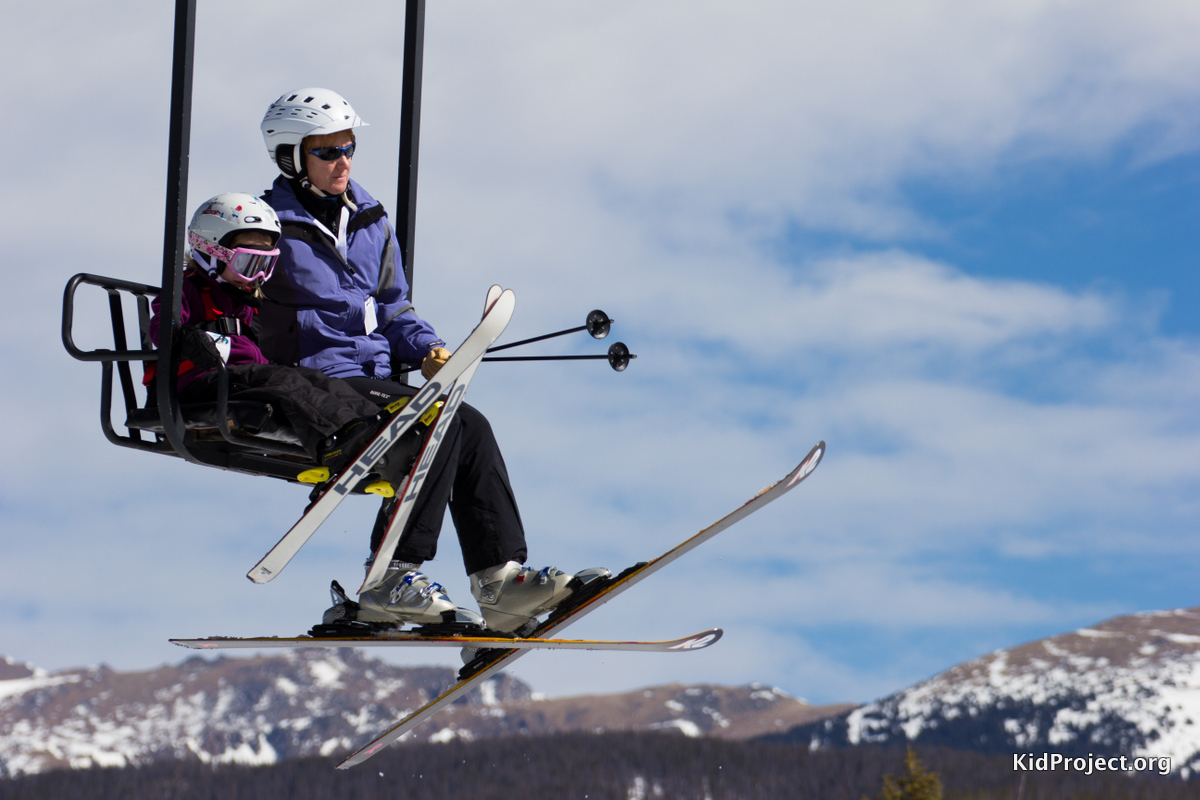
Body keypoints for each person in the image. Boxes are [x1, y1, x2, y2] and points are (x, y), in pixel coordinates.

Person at [255, 88, 601, 634]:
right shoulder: (268, 228)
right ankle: (390, 577)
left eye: (348, 146)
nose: (342, 159)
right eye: (326, 150)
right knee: (435, 424)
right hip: (313, 379)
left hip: (370, 378)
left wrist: (427, 350)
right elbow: (227, 284)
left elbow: (394, 306)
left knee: (470, 424)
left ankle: (499, 579)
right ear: (291, 157)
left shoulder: (369, 218)